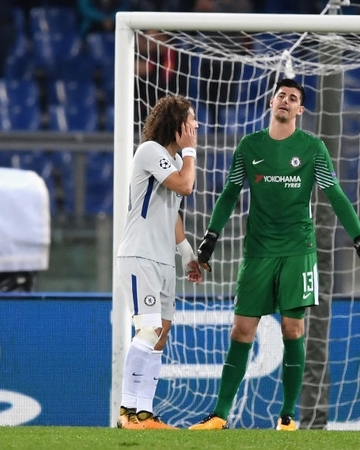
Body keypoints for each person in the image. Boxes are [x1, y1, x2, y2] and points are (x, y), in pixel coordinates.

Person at [189, 78, 360, 431]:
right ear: (271, 102)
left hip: (297, 250)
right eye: (281, 95)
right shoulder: (249, 146)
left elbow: (335, 194)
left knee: (293, 329)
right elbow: (230, 193)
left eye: (293, 98)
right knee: (241, 331)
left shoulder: (312, 147)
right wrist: (211, 237)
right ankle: (219, 415)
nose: (286, 101)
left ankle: (288, 416)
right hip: (258, 252)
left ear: (299, 110)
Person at [115, 95, 203, 430]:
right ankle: (126, 410)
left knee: (160, 336)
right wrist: (191, 153)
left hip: (164, 260)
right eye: (191, 120)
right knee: (149, 329)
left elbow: (173, 212)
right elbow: (185, 186)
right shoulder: (150, 150)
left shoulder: (174, 159)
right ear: (176, 124)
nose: (195, 126)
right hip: (140, 255)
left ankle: (144, 413)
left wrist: (187, 255)